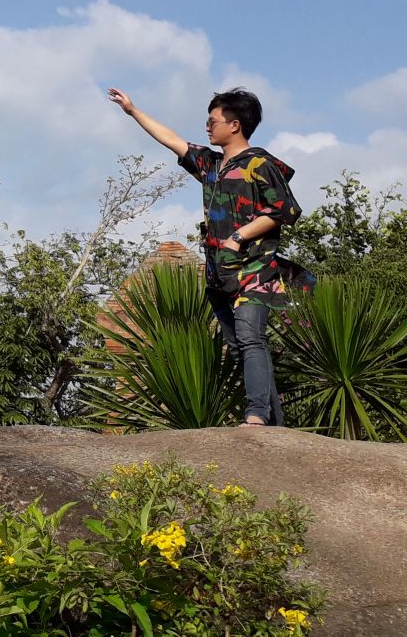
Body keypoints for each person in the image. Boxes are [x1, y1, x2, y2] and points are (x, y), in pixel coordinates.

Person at [110, 86, 312, 426]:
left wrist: (239, 235)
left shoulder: (259, 164)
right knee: (239, 349)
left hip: (255, 271)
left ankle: (256, 415)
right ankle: (274, 424)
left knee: (251, 338)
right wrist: (133, 111)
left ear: (234, 125)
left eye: (213, 120)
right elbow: (172, 139)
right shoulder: (211, 165)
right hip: (220, 275)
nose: (207, 126)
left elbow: (283, 210)